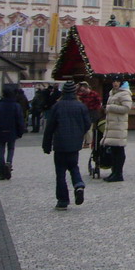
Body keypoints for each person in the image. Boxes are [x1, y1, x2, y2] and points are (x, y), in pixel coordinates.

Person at [42, 80, 90, 210]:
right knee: (74, 166)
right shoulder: (80, 106)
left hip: (60, 144)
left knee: (60, 172)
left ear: (63, 92)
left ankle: (62, 200)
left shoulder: (57, 106)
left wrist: (46, 145)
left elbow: (50, 127)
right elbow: (87, 124)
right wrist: (79, 134)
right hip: (74, 144)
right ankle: (78, 185)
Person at [0, 84, 25, 180]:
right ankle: (8, 163)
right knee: (11, 149)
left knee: (1, 150)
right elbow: (20, 120)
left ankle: (1, 171)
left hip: (1, 131)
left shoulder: (0, 106)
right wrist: (20, 132)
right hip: (12, 131)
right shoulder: (16, 106)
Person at [102, 79, 133, 182]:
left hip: (119, 125)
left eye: (117, 81)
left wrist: (110, 107)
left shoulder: (124, 93)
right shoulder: (113, 92)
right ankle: (114, 172)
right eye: (113, 81)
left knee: (119, 150)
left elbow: (126, 108)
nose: (115, 83)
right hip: (112, 125)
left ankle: (118, 174)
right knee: (114, 150)